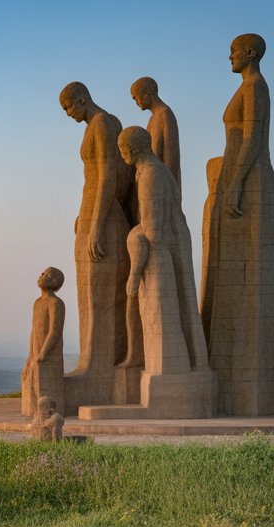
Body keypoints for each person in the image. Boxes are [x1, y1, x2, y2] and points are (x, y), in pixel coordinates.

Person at [200, 33, 274, 416]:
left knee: (252, 287)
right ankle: (231, 387)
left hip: (251, 184)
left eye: (234, 50)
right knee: (231, 281)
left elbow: (252, 139)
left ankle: (249, 394)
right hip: (239, 180)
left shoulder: (256, 87)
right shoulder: (248, 87)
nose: (229, 56)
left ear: (250, 53)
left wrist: (235, 184)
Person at [117, 127, 207, 375]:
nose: (122, 155)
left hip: (157, 257)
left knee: (160, 318)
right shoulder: (158, 170)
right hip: (164, 251)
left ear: (132, 149)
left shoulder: (150, 175)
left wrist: (135, 270)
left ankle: (169, 373)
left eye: (122, 150)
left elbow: (152, 230)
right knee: (165, 317)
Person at [59, 82, 132, 381]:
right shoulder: (96, 125)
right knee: (89, 292)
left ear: (81, 99)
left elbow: (108, 176)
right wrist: (84, 215)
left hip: (105, 215)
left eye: (68, 108)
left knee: (102, 295)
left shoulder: (103, 123)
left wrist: (98, 224)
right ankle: (90, 361)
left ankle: (100, 366)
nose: (68, 114)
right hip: (92, 210)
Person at [21, 267, 66, 416]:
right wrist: (31, 355)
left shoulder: (56, 303)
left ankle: (47, 413)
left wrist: (43, 353)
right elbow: (34, 330)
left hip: (50, 355)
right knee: (33, 384)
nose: (41, 275)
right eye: (42, 273)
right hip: (36, 353)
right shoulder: (37, 303)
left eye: (46, 274)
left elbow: (55, 331)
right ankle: (33, 411)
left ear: (54, 282)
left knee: (46, 387)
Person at [130, 76, 181, 185]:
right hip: (153, 180)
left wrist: (169, 185)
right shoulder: (152, 119)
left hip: (162, 183)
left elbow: (171, 156)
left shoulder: (165, 114)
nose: (136, 102)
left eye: (136, 97)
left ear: (148, 92)